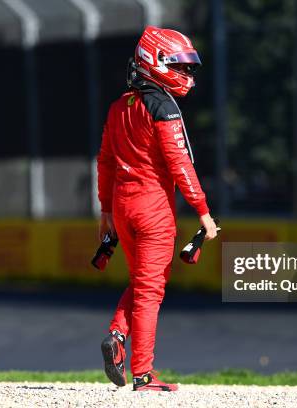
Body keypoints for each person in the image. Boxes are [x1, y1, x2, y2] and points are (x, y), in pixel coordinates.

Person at [96, 26, 218, 391]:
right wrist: (204, 212)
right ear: (155, 62)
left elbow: (104, 162)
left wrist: (105, 211)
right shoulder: (163, 106)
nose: (187, 75)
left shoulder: (119, 106)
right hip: (153, 208)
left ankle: (117, 337)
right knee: (151, 291)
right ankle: (144, 374)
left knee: (142, 282)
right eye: (180, 67)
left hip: (121, 205)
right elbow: (180, 163)